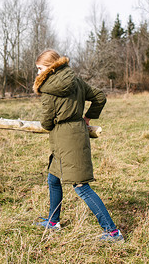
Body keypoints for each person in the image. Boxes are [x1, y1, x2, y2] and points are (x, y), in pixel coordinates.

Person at [32, 49, 124, 243]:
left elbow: (46, 121)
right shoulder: (75, 80)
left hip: (67, 140)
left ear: (50, 68)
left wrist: (51, 123)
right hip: (73, 136)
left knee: (81, 187)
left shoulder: (48, 88)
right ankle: (53, 221)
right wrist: (86, 118)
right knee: (53, 178)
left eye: (40, 69)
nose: (38, 73)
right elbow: (100, 97)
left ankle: (113, 232)